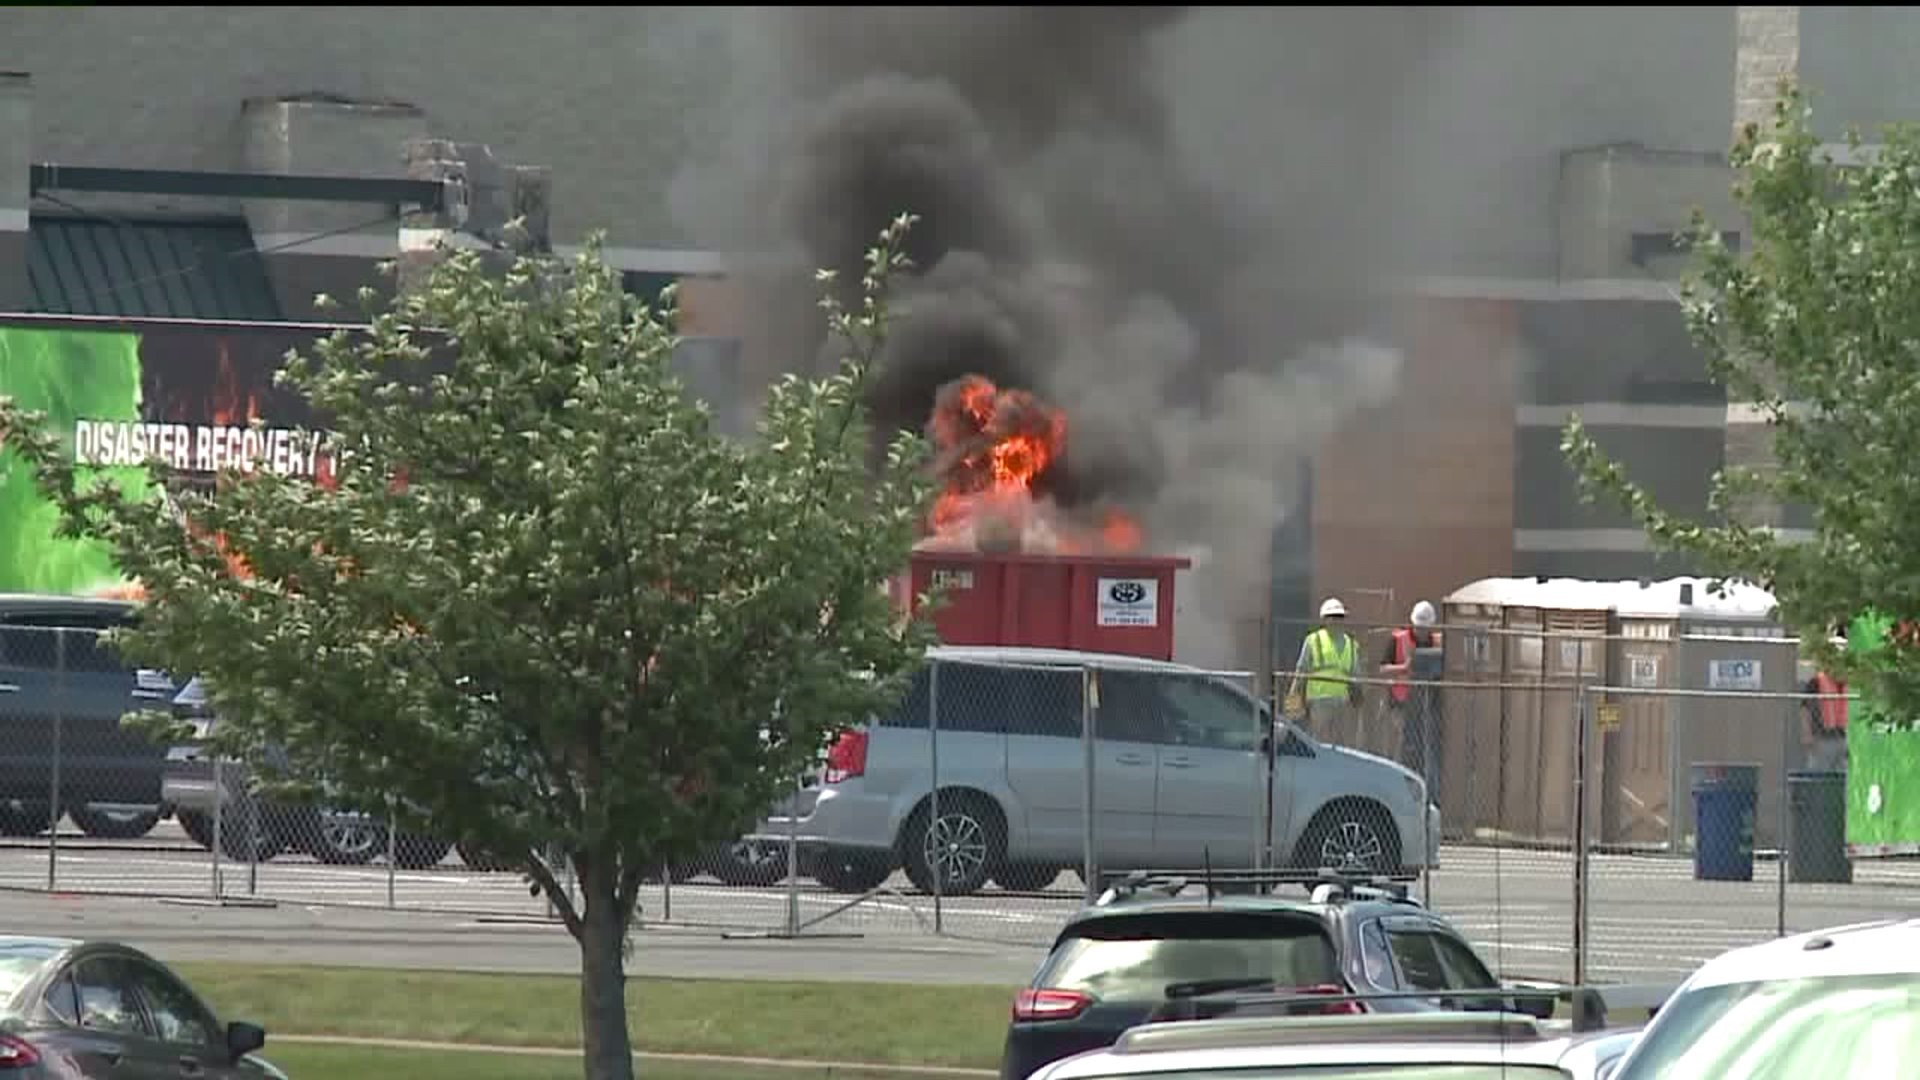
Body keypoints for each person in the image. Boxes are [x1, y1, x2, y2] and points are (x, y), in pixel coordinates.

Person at [1381, 600, 1445, 802]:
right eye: (1419, 627)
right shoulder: (1397, 639)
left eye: (1425, 628)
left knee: (1427, 751)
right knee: (1403, 748)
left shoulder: (1438, 641)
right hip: (1401, 704)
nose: (1422, 632)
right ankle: (1399, 793)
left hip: (1428, 705)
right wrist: (1405, 668)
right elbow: (1381, 669)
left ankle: (1429, 797)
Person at [1286, 597, 1363, 740]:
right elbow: (1301, 670)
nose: (1335, 620)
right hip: (1318, 701)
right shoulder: (1313, 640)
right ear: (1324, 619)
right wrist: (1292, 701)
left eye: (1339, 617)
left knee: (1341, 744)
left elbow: (1356, 675)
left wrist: (1358, 698)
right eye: (1332, 617)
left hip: (1342, 702)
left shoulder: (1351, 644)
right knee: (1320, 742)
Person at [1801, 632, 1850, 772]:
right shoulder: (1816, 682)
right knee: (1819, 774)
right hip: (1822, 739)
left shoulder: (1849, 682)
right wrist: (1807, 734)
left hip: (1845, 737)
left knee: (1844, 777)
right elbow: (1805, 709)